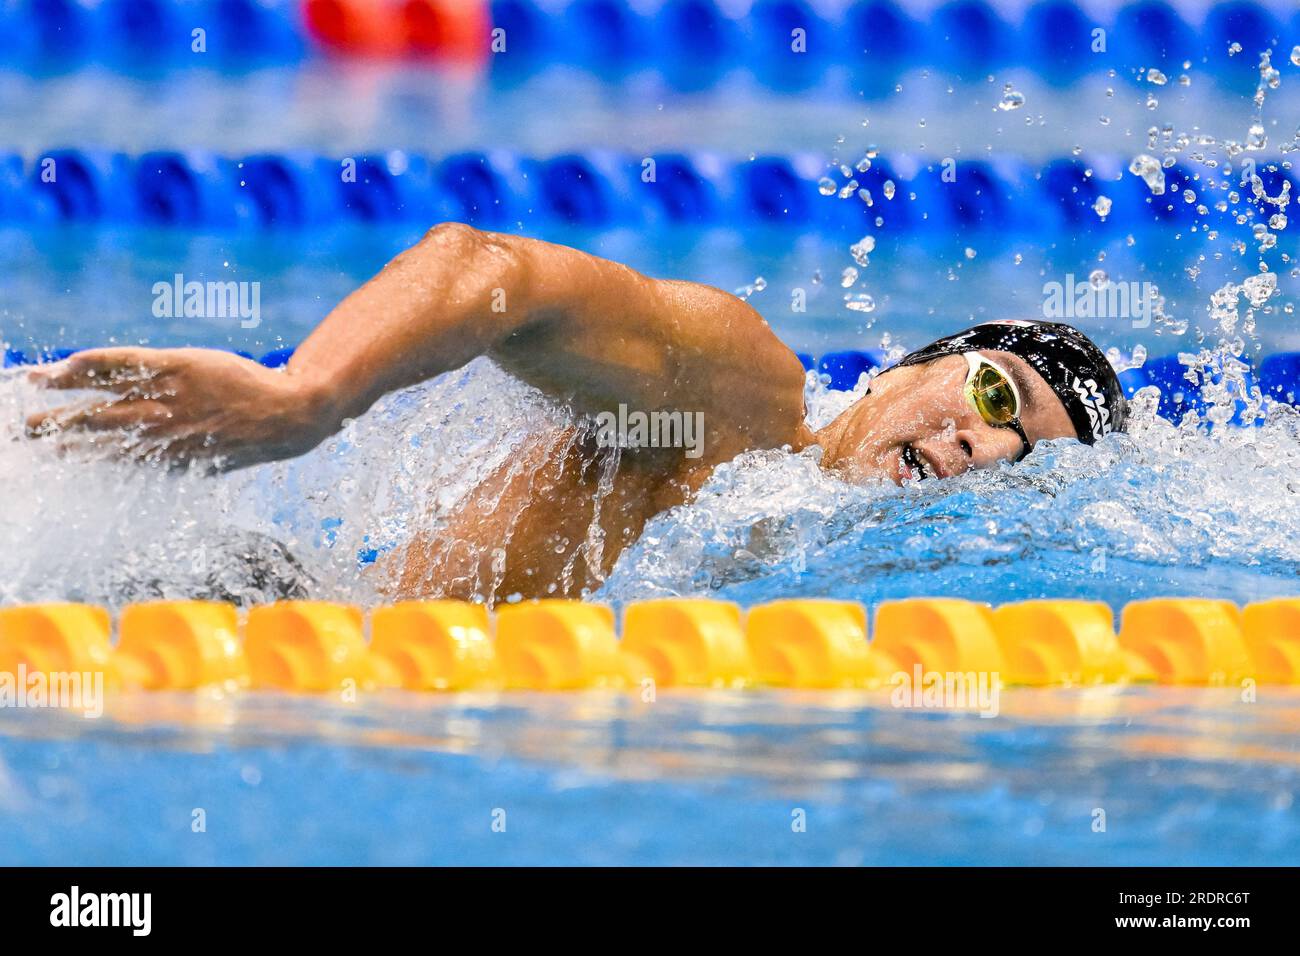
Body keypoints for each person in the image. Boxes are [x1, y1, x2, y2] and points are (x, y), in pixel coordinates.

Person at [24, 224, 1127, 601]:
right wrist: (304, 398)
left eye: (1022, 457)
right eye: (994, 393)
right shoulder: (741, 401)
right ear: (899, 369)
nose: (984, 443)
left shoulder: (859, 582)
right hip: (256, 625)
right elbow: (494, 269)